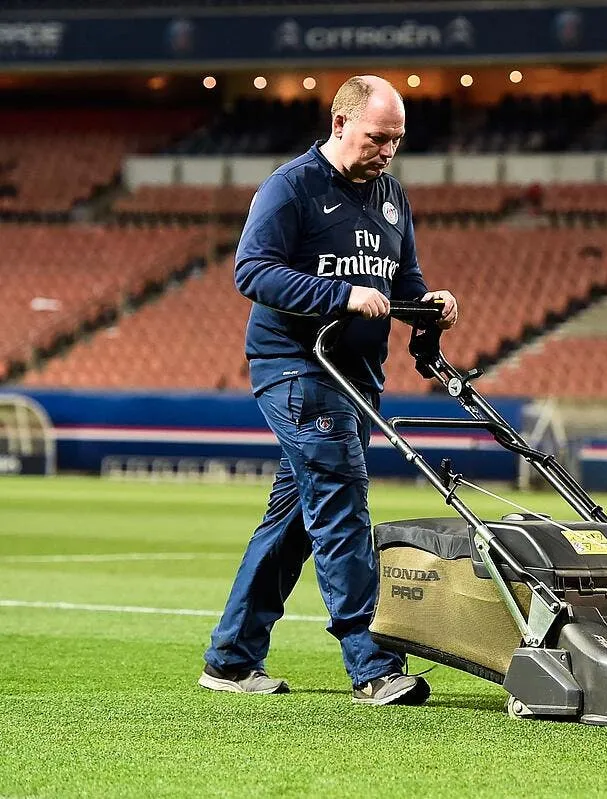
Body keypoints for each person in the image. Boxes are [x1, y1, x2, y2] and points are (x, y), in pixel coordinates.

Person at [199, 75, 459, 706]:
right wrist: (337, 295)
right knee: (341, 500)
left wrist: (430, 307)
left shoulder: (393, 195)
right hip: (295, 368)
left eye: (397, 140)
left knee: (292, 523)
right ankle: (372, 664)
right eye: (378, 137)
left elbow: (404, 280)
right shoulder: (290, 189)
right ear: (341, 123)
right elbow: (252, 271)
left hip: (355, 381)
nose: (388, 150)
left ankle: (231, 660)